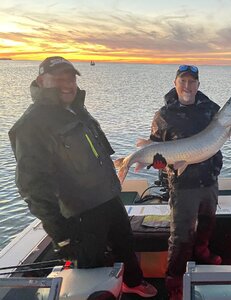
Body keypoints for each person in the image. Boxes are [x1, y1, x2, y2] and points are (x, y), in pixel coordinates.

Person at [8, 56, 157, 298]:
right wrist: (61, 236)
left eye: (71, 78)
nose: (67, 84)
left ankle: (132, 281)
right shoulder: (31, 125)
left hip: (108, 197)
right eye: (59, 79)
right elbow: (33, 188)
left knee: (125, 243)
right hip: (80, 214)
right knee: (91, 268)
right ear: (40, 81)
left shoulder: (77, 110)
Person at [150, 65, 223, 299]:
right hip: (183, 183)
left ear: (198, 85)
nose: (188, 86)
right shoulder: (164, 115)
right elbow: (154, 147)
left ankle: (202, 251)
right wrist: (158, 162)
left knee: (207, 222)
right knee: (181, 235)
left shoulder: (211, 109)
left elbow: (224, 130)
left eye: (192, 81)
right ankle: (174, 277)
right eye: (183, 81)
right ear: (175, 83)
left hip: (210, 179)